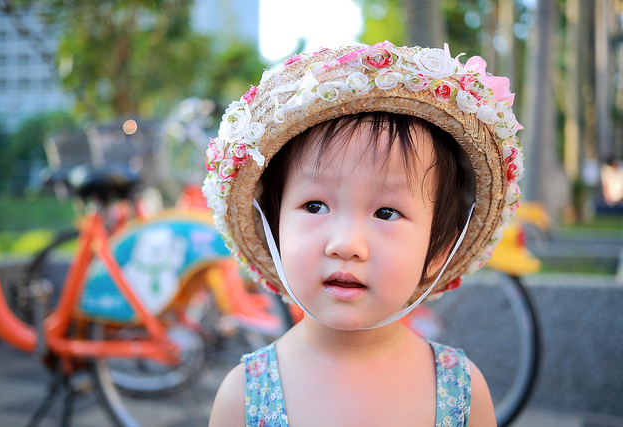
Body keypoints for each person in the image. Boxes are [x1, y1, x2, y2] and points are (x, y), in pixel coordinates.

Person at [204, 41, 523, 426]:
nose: (346, 245)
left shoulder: (462, 391)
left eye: (386, 212)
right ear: (274, 230)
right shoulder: (242, 396)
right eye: (315, 206)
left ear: (439, 250)